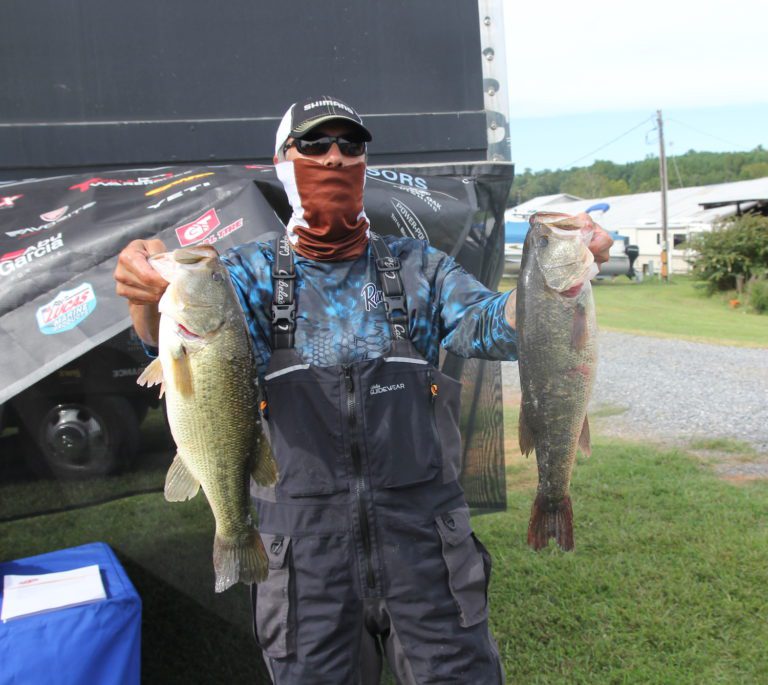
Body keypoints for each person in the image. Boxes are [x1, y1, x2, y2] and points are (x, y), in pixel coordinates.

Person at [115, 96, 612, 684]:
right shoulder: (241, 275)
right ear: (281, 161)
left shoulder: (418, 269)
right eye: (315, 144)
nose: (334, 158)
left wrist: (559, 279)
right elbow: (177, 359)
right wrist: (144, 298)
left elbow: (493, 325)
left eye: (350, 146)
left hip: (427, 548)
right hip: (302, 560)